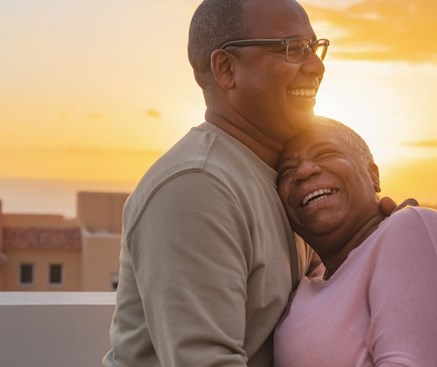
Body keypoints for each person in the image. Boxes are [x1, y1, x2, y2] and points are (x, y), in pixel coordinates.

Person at [103, 1, 400, 366]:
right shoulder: (198, 187)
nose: (316, 66)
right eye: (292, 48)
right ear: (226, 69)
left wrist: (392, 240)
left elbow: (331, 292)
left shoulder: (280, 179)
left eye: (314, 47)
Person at [274, 117, 437, 367]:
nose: (304, 171)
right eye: (287, 171)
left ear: (374, 175)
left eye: (325, 153)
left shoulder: (414, 230)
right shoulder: (309, 281)